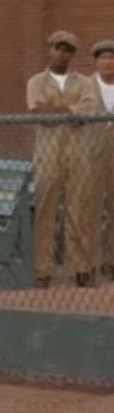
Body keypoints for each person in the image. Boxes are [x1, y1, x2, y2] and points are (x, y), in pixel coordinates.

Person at [27, 30, 100, 288]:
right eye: (58, 47)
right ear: (50, 49)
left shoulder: (84, 83)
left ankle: (81, 268)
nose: (62, 53)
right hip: (48, 154)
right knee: (45, 210)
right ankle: (42, 270)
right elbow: (39, 112)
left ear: (73, 53)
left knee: (79, 210)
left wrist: (59, 110)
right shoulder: (36, 81)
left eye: (68, 49)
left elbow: (88, 110)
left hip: (79, 153)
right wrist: (70, 110)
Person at [90, 39, 114, 282]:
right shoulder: (85, 86)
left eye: (112, 57)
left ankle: (111, 261)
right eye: (104, 57)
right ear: (96, 61)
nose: (108, 62)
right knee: (92, 209)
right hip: (92, 155)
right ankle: (91, 264)